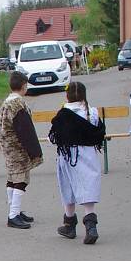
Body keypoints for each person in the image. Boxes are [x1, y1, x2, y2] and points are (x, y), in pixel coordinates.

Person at [48, 81, 106, 245]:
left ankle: (69, 223)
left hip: (69, 156)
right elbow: (100, 132)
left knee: (68, 186)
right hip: (88, 154)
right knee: (88, 185)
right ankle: (90, 224)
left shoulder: (63, 114)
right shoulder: (92, 113)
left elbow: (53, 138)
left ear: (67, 96)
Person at [0, 71, 43, 229]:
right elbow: (25, 130)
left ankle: (13, 210)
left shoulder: (7, 101)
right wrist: (35, 151)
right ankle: (13, 215)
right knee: (20, 180)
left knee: (11, 178)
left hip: (8, 146)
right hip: (17, 147)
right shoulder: (18, 104)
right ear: (24, 86)